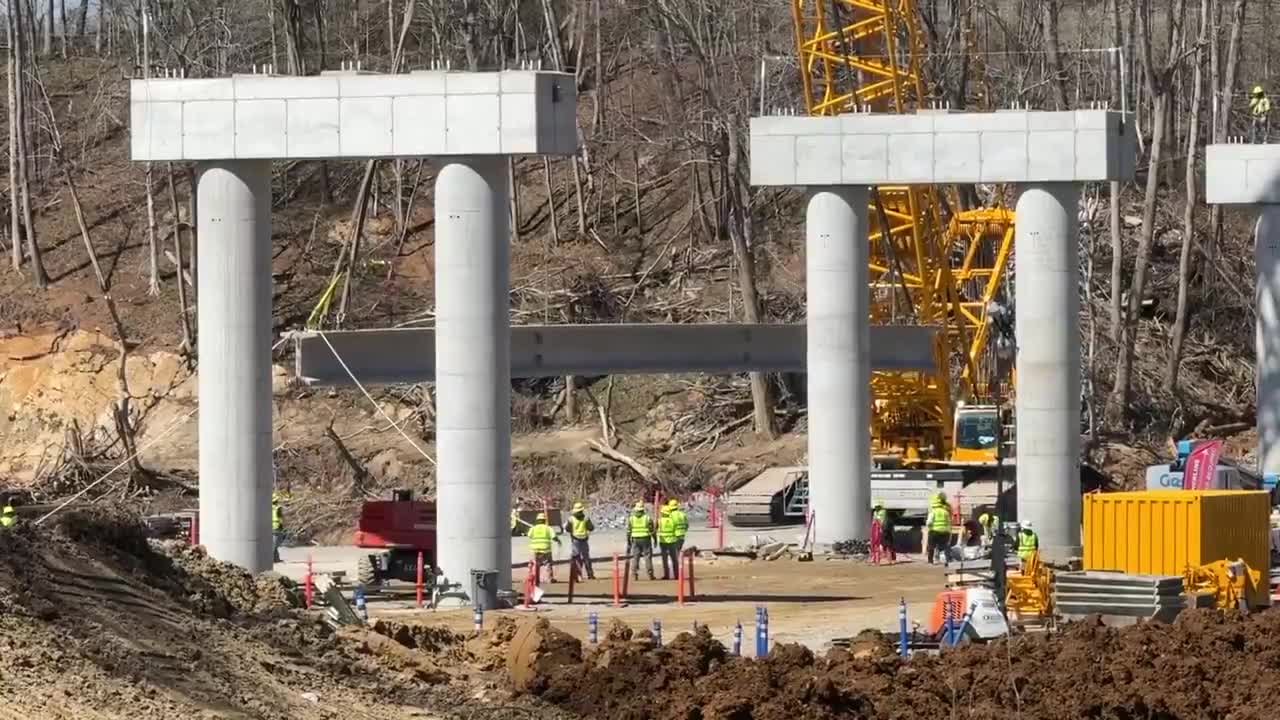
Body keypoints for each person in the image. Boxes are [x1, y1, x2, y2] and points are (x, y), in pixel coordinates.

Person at [563, 501, 596, 580]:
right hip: (584, 539)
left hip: (575, 540)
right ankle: (590, 574)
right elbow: (591, 528)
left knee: (576, 557)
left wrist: (573, 530)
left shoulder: (571, 519)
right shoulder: (586, 518)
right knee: (586, 557)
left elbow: (567, 529)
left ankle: (578, 575)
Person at [527, 512, 560, 584]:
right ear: (544, 520)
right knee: (547, 564)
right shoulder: (548, 528)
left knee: (535, 565)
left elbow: (529, 535)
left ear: (537, 520)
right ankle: (549, 579)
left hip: (535, 550)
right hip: (546, 550)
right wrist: (558, 541)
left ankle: (535, 579)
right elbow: (554, 537)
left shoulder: (533, 528)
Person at [627, 501, 656, 581]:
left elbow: (628, 531)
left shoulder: (631, 519)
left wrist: (628, 541)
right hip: (645, 539)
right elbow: (652, 530)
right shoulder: (647, 518)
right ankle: (650, 574)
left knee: (635, 557)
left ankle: (634, 574)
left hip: (635, 539)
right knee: (647, 557)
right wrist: (655, 539)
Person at [925, 492, 952, 566]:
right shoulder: (945, 512)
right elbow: (949, 522)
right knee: (946, 547)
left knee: (931, 547)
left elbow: (929, 522)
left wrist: (928, 525)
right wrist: (949, 531)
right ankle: (948, 561)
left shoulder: (933, 512)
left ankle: (930, 561)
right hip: (945, 532)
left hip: (934, 532)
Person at [668, 498, 689, 563]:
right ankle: (679, 565)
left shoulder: (670, 515)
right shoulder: (683, 514)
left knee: (674, 552)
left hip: (674, 536)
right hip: (682, 536)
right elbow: (687, 525)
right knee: (678, 550)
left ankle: (676, 567)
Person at [271, 492, 284, 562]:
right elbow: (280, 518)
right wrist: (282, 526)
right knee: (275, 545)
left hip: (269, 527)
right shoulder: (278, 508)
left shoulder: (267, 507)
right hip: (276, 527)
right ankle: (272, 559)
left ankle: (276, 559)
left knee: (274, 544)